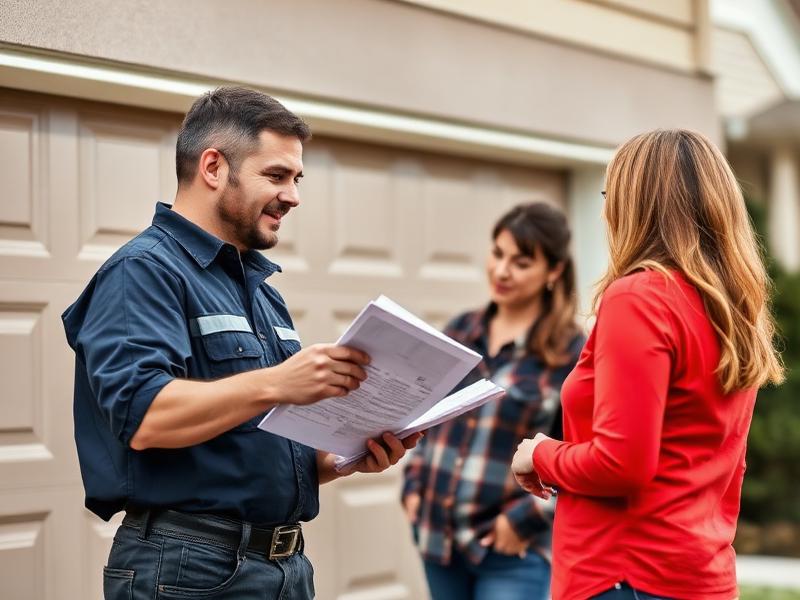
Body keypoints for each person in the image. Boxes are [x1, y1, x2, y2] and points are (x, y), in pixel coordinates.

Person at [62, 86, 421, 600]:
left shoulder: (258, 292)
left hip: (284, 568)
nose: (293, 195)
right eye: (276, 176)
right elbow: (143, 418)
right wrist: (279, 382)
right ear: (213, 167)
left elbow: (257, 447)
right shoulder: (143, 272)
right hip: (189, 570)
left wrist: (345, 457)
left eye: (297, 179)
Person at [511, 129, 784, 600]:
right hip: (700, 573)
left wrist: (540, 454)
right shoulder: (732, 308)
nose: (604, 210)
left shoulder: (638, 297)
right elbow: (724, 464)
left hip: (625, 576)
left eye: (609, 193)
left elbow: (622, 463)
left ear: (636, 203)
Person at [402, 202, 585, 600]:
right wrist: (413, 486)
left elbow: (584, 456)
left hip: (511, 550)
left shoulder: (572, 352)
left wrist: (526, 520)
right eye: (498, 254)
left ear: (553, 272)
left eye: (521, 263)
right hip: (438, 539)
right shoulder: (460, 330)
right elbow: (422, 417)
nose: (502, 271)